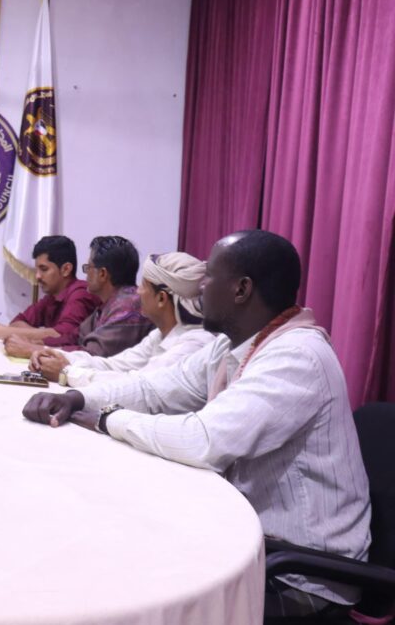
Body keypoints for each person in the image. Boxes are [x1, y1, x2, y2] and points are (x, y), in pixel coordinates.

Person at [22, 230, 371, 617]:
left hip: (301, 577)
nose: (200, 288)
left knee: (136, 591)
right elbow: (154, 388)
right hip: (253, 542)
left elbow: (203, 440)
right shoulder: (233, 344)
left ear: (241, 289)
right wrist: (79, 398)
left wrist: (105, 419)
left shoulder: (297, 356)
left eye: (210, 277)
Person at [30, 251, 216, 387]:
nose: (138, 292)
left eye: (143, 286)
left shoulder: (193, 345)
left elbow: (137, 386)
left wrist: (66, 372)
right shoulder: (160, 335)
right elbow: (114, 365)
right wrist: (57, 356)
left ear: (161, 298)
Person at [7, 235, 153, 358]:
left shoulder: (127, 306)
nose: (86, 274)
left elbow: (93, 355)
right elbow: (74, 337)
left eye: (88, 267)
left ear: (102, 274)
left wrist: (34, 350)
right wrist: (43, 343)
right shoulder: (108, 304)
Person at [0, 235, 100, 347]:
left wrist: (7, 332)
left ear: (66, 269)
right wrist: (43, 334)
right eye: (37, 270)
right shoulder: (52, 296)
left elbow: (63, 336)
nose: (37, 276)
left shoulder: (81, 293)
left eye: (44, 269)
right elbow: (17, 322)